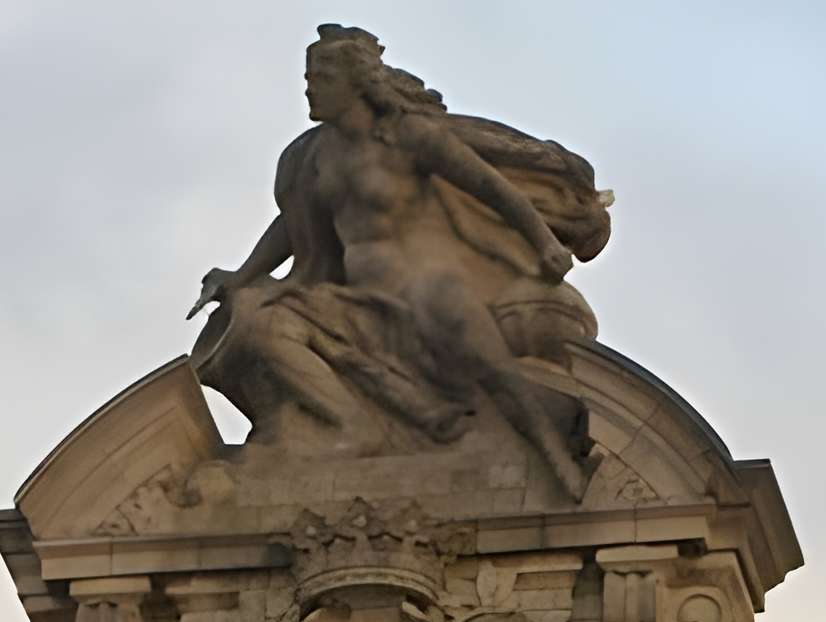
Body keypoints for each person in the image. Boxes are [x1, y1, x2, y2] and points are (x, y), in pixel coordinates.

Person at [192, 26, 609, 495]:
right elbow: (293, 224)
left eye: (323, 77)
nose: (309, 88)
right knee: (257, 319)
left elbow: (490, 187)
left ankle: (554, 455)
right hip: (349, 297)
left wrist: (544, 241)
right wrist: (242, 276)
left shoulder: (409, 136)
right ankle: (345, 426)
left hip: (422, 287)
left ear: (357, 82)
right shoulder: (311, 156)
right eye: (308, 77)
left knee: (494, 371)